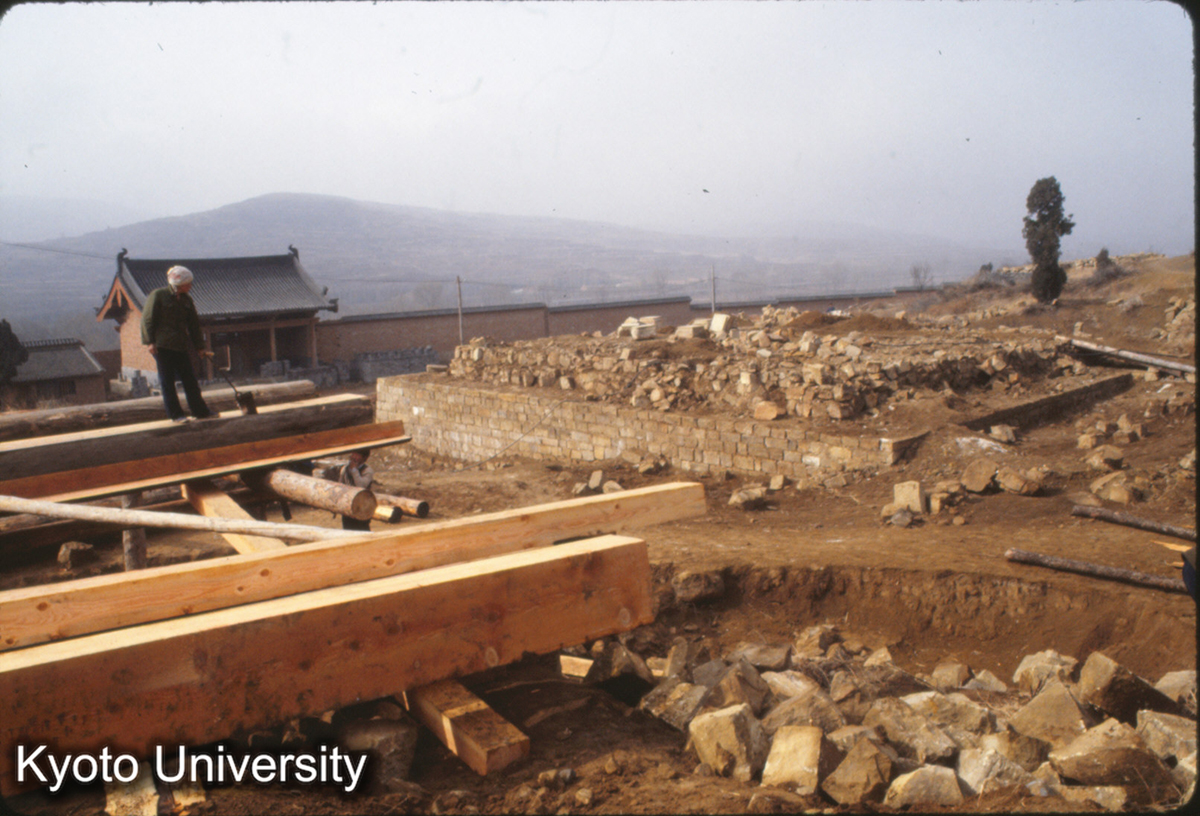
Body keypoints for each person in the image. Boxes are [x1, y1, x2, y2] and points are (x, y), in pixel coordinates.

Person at [141, 265, 215, 422]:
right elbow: (147, 320)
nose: (190, 286)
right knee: (167, 381)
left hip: (180, 345)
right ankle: (176, 415)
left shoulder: (187, 300)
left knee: (190, 380)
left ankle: (200, 411)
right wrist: (150, 342)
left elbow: (193, 325)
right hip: (162, 346)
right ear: (179, 284)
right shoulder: (158, 295)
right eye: (188, 284)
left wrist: (199, 347)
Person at [338, 449, 376, 531]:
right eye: (353, 454)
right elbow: (340, 485)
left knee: (362, 531)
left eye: (358, 455)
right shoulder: (345, 469)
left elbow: (361, 486)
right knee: (348, 530)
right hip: (347, 507)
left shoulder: (367, 471)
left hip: (362, 508)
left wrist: (354, 471)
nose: (354, 457)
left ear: (365, 458)